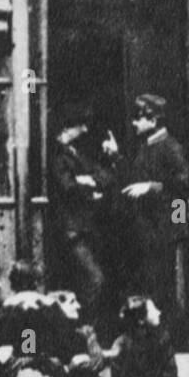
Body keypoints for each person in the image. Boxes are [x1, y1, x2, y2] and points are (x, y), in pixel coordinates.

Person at [108, 94, 189, 343]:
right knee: (151, 283)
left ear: (153, 119)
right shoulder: (147, 147)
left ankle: (173, 339)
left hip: (163, 233)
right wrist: (116, 157)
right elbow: (133, 179)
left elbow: (183, 187)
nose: (133, 124)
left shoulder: (171, 147)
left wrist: (177, 230)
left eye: (138, 118)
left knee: (164, 286)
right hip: (149, 232)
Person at [51, 103, 118, 343]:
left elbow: (103, 177)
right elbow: (66, 186)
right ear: (69, 127)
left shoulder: (74, 153)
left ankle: (84, 336)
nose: (86, 131)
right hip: (72, 232)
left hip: (84, 230)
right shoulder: (58, 154)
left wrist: (109, 160)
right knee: (94, 280)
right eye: (82, 126)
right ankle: (85, 334)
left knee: (90, 282)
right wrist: (87, 185)